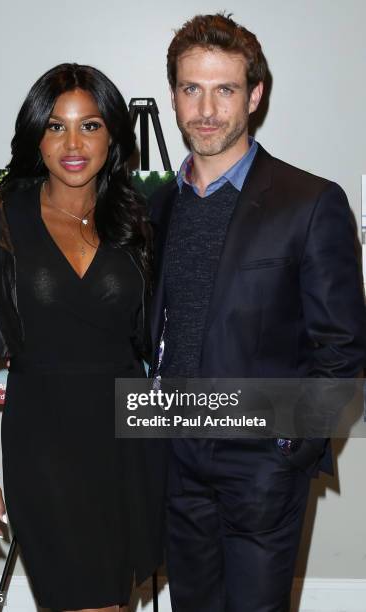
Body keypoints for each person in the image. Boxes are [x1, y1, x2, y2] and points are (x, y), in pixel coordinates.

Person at [149, 13, 366, 612]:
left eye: (225, 89)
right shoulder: (159, 206)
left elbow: (342, 345)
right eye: (192, 88)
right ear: (174, 96)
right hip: (174, 454)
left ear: (255, 95)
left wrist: (289, 448)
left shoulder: (311, 202)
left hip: (261, 463)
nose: (207, 109)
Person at [0, 63, 167, 612]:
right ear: (35, 136)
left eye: (89, 126)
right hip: (45, 442)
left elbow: (156, 334)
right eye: (55, 125)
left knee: (114, 602)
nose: (73, 142)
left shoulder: (135, 218)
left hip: (127, 441)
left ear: (112, 133)